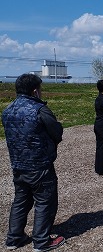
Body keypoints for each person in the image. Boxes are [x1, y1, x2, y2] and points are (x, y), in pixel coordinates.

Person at [2, 74, 65, 251]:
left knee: (21, 200)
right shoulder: (39, 109)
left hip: (18, 165)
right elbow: (57, 132)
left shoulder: (7, 111)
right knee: (45, 201)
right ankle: (42, 241)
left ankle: (14, 238)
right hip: (40, 165)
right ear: (35, 91)